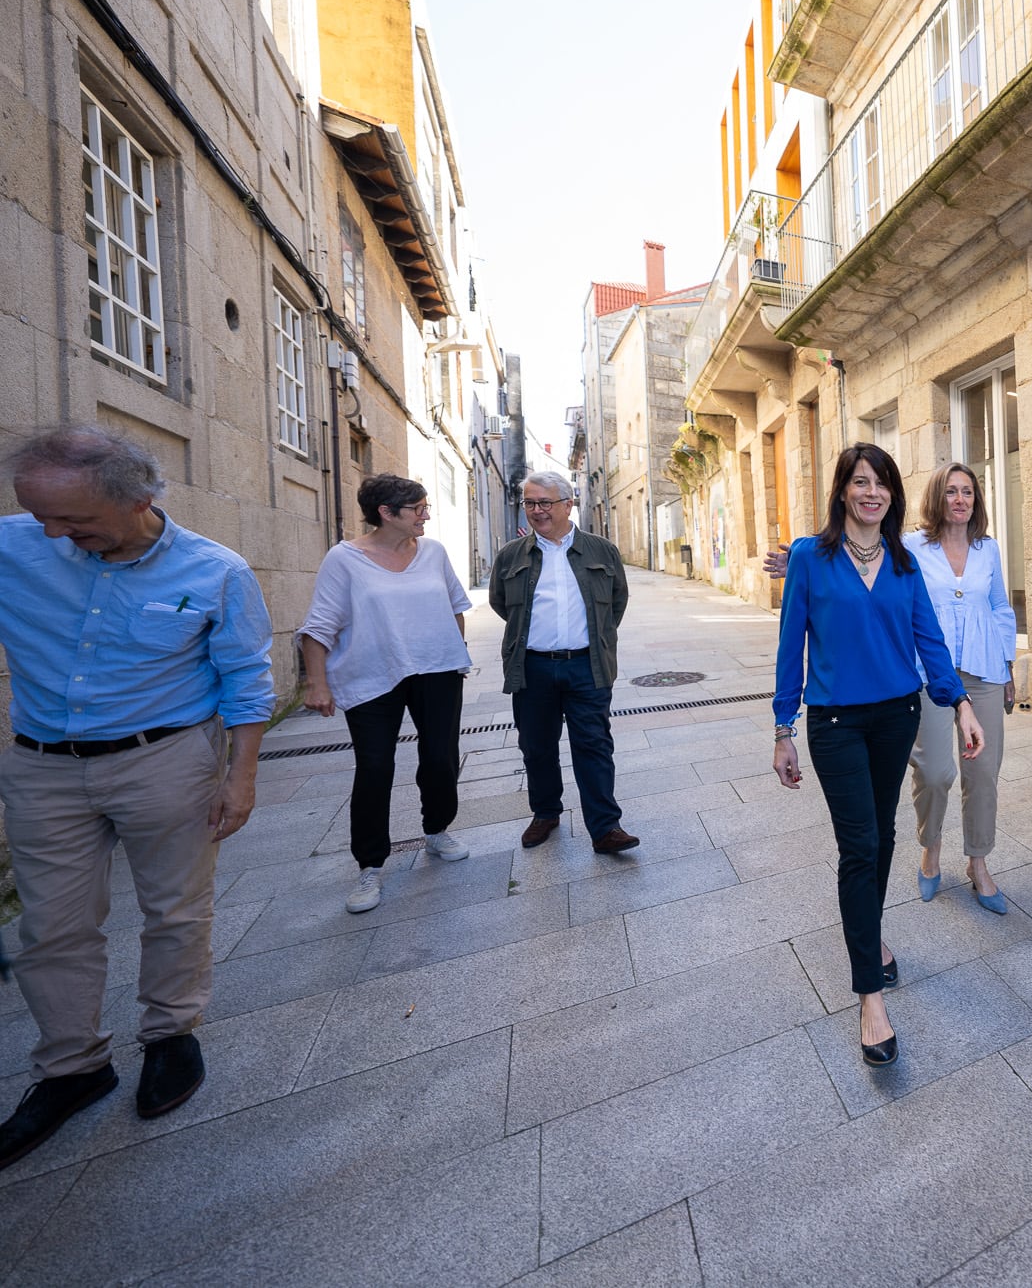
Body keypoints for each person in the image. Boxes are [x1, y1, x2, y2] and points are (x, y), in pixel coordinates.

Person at [0, 426, 273, 1167]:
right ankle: (71, 1068)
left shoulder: (215, 571)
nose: (53, 532)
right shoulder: (15, 547)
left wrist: (239, 775)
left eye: (74, 520)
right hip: (42, 765)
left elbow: (246, 680)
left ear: (138, 499)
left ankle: (169, 1035)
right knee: (50, 927)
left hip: (166, 759)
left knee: (176, 906)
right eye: (41, 516)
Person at [772, 444, 984, 1068]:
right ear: (841, 491)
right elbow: (792, 645)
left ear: (892, 495)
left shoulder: (901, 560)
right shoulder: (812, 557)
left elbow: (929, 639)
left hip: (897, 716)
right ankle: (870, 996)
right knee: (860, 845)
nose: (872, 493)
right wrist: (783, 728)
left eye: (882, 484)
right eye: (860, 483)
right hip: (835, 722)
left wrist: (960, 703)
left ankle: (870, 932)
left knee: (883, 838)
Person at [764, 464, 1018, 913]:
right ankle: (931, 847)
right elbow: (860, 550)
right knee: (936, 772)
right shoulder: (910, 546)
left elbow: (1000, 606)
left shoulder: (988, 549)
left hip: (982, 668)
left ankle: (979, 863)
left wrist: (1008, 664)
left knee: (984, 774)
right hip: (924, 674)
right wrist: (801, 561)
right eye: (951, 492)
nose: (960, 500)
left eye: (968, 493)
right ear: (934, 498)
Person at [298, 474, 474, 914]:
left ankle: (437, 830)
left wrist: (456, 654)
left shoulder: (432, 552)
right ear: (386, 513)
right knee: (374, 766)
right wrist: (315, 682)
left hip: (436, 670)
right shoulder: (344, 559)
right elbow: (317, 626)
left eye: (426, 506)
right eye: (418, 508)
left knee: (440, 757)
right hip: (372, 674)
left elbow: (455, 606)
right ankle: (370, 864)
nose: (426, 515)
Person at [489, 473, 637, 855]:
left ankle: (606, 828)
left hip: (588, 666)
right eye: (530, 503)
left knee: (594, 745)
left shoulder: (601, 550)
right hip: (533, 666)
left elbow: (616, 601)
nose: (537, 511)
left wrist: (594, 638)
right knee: (536, 746)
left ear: (567, 505)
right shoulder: (511, 555)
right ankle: (545, 813)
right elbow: (500, 603)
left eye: (545, 503)